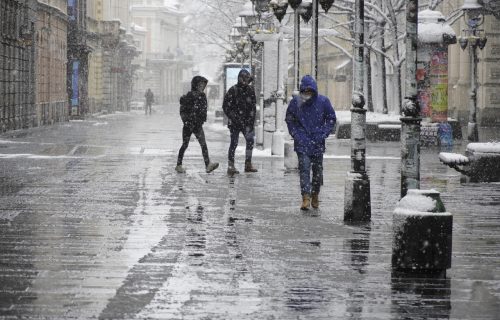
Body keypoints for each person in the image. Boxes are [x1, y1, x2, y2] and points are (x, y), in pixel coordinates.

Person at [285, 75, 336, 210]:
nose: (307, 94)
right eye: (305, 91)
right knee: (304, 169)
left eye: (310, 91)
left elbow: (331, 118)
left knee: (318, 170)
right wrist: (295, 134)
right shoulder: (296, 102)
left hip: (317, 141)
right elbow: (290, 119)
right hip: (302, 142)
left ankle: (315, 194)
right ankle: (306, 197)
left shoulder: (323, 102)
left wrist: (323, 133)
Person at [175, 76, 219, 174]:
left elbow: (203, 109)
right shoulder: (189, 96)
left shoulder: (202, 96)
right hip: (189, 125)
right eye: (200, 85)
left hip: (198, 125)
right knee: (185, 144)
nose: (202, 87)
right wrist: (187, 121)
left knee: (203, 144)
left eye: (203, 85)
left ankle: (208, 164)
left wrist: (202, 119)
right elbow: (183, 111)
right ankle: (178, 165)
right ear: (195, 85)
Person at [222, 69, 258, 175]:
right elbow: (225, 106)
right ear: (240, 78)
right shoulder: (233, 90)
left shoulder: (250, 90)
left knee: (250, 141)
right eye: (244, 78)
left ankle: (248, 164)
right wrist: (234, 117)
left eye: (247, 79)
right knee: (234, 142)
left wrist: (251, 120)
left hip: (247, 122)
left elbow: (253, 107)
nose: (245, 81)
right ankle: (231, 165)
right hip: (235, 123)